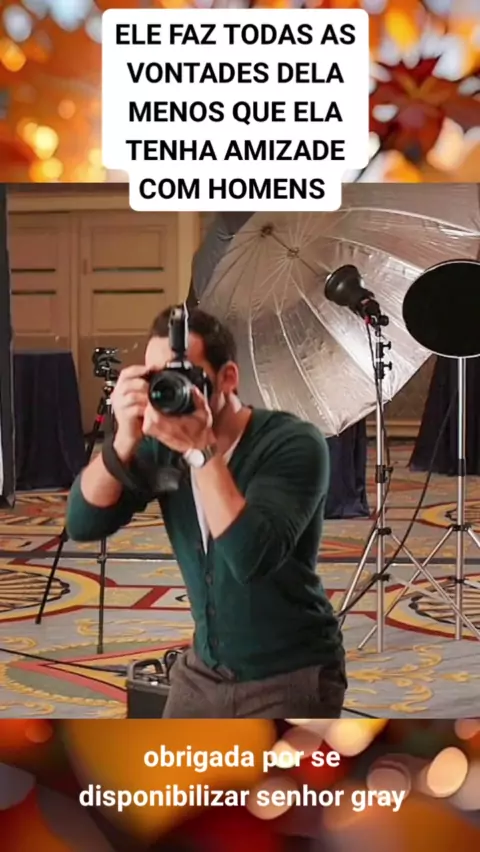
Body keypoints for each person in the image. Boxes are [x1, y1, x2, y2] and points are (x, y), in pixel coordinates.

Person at [66, 307, 346, 718]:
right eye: (157, 377)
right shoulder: (164, 444)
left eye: (184, 375)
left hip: (292, 669)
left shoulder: (293, 442)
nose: (170, 388)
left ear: (228, 377)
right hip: (203, 668)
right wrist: (123, 439)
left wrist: (201, 452)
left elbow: (251, 558)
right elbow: (83, 522)